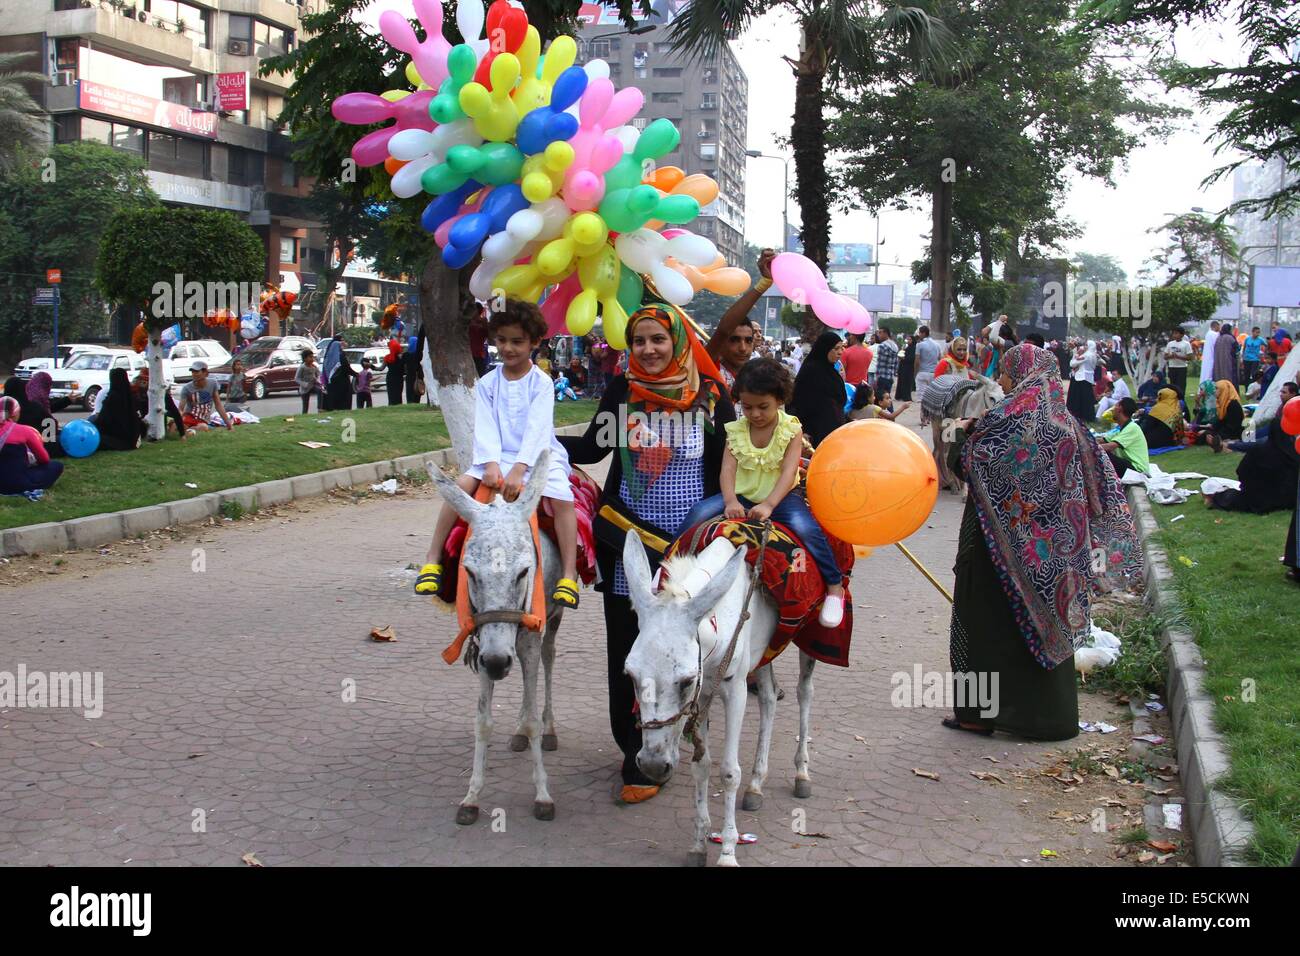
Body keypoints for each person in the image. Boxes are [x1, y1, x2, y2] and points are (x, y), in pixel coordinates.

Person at [559, 300, 733, 804]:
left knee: (682, 650)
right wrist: (531, 441)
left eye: (658, 339)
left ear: (676, 342)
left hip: (687, 555)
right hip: (626, 545)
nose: (649, 349)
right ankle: (634, 753)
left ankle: (674, 738)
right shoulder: (622, 390)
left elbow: (727, 467)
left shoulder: (711, 396)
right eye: (639, 341)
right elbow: (593, 448)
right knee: (628, 648)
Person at [945, 343, 1141, 739]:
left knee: (983, 627)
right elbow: (1097, 486)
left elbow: (966, 464)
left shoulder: (1002, 421)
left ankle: (976, 715)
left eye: (1005, 372)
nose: (1000, 379)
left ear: (1021, 374)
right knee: (1048, 625)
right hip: (1056, 555)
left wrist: (964, 435)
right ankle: (1050, 718)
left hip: (991, 548)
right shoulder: (1070, 424)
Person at [415, 298, 581, 610]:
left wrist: (520, 469)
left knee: (562, 499)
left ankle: (568, 575)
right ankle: (432, 558)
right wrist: (491, 464)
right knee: (459, 488)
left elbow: (537, 429)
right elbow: (485, 426)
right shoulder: (488, 383)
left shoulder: (542, 383)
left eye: (517, 341)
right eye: (502, 340)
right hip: (494, 456)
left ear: (534, 342)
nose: (508, 348)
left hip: (538, 456)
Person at [676, 358, 846, 626]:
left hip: (781, 498)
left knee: (807, 529)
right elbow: (727, 470)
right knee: (698, 512)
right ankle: (670, 566)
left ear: (780, 400)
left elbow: (789, 472)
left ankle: (835, 587)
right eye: (747, 407)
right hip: (741, 495)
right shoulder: (737, 430)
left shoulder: (790, 429)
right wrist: (730, 500)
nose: (755, 414)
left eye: (762, 407)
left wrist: (769, 504)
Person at [704, 248, 775, 389]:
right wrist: (764, 283)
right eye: (734, 340)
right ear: (722, 343)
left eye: (748, 341)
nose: (743, 348)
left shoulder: (759, 378)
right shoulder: (710, 368)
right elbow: (724, 330)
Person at [1205, 410, 1299, 514]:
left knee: (1228, 497)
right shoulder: (1294, 451)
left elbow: (1242, 471)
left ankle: (1212, 498)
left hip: (1262, 499)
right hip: (1290, 499)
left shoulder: (1260, 450)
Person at [788, 332, 847, 448]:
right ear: (825, 348)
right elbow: (800, 402)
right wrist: (804, 431)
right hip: (814, 434)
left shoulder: (830, 370)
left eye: (841, 348)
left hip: (832, 432)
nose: (840, 352)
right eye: (836, 348)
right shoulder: (811, 371)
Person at [0, 396, 64, 495]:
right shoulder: (25, 431)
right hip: (17, 484)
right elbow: (44, 459)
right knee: (56, 466)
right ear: (16, 413)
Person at [91, 367, 147, 451]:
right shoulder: (130, 395)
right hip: (132, 439)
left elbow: (102, 420)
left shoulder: (113, 397)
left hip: (118, 440)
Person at [16, 371, 70, 456]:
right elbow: (50, 424)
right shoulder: (37, 400)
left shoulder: (23, 400)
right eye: (49, 385)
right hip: (41, 441)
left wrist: (67, 400)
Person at [1098, 398, 1149, 477]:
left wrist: (1090, 448)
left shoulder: (1132, 428)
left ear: (1120, 409)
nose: (1113, 409)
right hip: (1128, 465)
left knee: (1101, 454)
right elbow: (1101, 441)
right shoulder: (1121, 429)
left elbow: (1110, 446)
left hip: (1137, 470)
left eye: (1115, 406)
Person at [132, 368, 187, 439]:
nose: (143, 383)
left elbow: (175, 413)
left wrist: (182, 434)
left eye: (145, 381)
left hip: (158, 426)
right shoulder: (135, 393)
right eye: (141, 380)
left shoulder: (162, 395)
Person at [179, 362, 232, 433]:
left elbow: (218, 405)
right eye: (192, 371)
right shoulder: (186, 388)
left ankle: (190, 431)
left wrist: (229, 424)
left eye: (197, 371)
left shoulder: (213, 383)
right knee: (176, 427)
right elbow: (180, 409)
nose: (194, 374)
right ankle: (188, 430)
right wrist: (179, 421)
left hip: (203, 420)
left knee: (203, 427)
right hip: (189, 416)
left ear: (205, 373)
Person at [914, 325, 943, 423]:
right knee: (930, 397)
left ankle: (923, 418)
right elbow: (940, 359)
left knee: (922, 397)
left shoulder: (920, 345)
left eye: (920, 333)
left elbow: (917, 361)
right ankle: (930, 417)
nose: (919, 335)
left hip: (922, 372)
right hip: (933, 374)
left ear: (923, 333)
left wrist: (915, 372)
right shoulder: (937, 345)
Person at [1067, 340, 1098, 422]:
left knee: (1080, 399)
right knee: (1087, 399)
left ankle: (1080, 415)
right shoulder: (1093, 355)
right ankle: (1086, 416)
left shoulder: (1087, 355)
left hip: (1082, 377)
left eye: (1086, 345)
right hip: (1088, 378)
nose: (1085, 347)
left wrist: (1075, 353)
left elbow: (1072, 364)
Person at [1163, 328, 1193, 401]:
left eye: (1176, 333)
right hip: (1172, 367)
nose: (1174, 335)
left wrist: (1178, 356)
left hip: (1181, 367)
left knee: (1181, 385)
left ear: (1182, 335)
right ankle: (1173, 399)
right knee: (1172, 385)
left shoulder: (1186, 344)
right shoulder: (1170, 344)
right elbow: (1165, 356)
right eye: (1174, 333)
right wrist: (1170, 356)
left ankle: (1181, 400)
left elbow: (1190, 357)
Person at [871, 326, 899, 398]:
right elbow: (896, 363)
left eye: (880, 333)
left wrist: (875, 378)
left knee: (880, 398)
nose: (878, 335)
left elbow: (879, 364)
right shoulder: (895, 346)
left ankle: (889, 409)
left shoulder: (882, 346)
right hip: (890, 377)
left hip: (882, 376)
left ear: (886, 333)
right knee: (887, 397)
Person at [1214, 322, 1239, 388]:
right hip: (1229, 362)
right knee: (1229, 378)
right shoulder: (1231, 338)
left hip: (1218, 362)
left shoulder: (1218, 338)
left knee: (1219, 377)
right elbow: (1237, 348)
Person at [896, 333, 917, 401]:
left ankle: (906, 397)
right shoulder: (907, 347)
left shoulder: (913, 348)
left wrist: (903, 358)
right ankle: (899, 396)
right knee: (901, 381)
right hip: (903, 367)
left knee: (907, 383)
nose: (908, 341)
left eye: (910, 339)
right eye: (907, 339)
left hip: (908, 368)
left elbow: (911, 358)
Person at [384, 336, 405, 405]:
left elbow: (380, 368)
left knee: (391, 395)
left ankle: (391, 405)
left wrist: (371, 366)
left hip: (390, 378)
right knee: (398, 395)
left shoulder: (387, 357)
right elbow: (404, 370)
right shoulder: (401, 358)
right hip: (399, 379)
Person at [1200, 320, 1221, 386]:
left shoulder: (1208, 334)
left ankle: (1202, 387)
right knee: (1209, 374)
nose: (1219, 328)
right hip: (1211, 357)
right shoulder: (1214, 334)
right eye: (1219, 327)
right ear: (1216, 326)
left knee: (1205, 373)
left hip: (1207, 357)